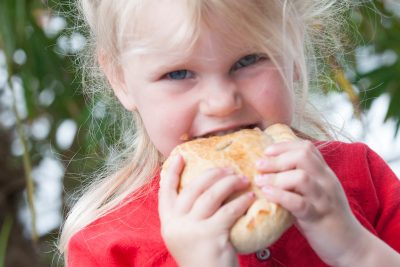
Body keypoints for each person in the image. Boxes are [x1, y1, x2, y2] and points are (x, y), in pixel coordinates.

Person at [58, 0, 400, 266]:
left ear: (293, 49)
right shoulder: (107, 248)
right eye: (178, 74)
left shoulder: (360, 177)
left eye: (248, 60)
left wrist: (356, 251)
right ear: (120, 79)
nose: (222, 102)